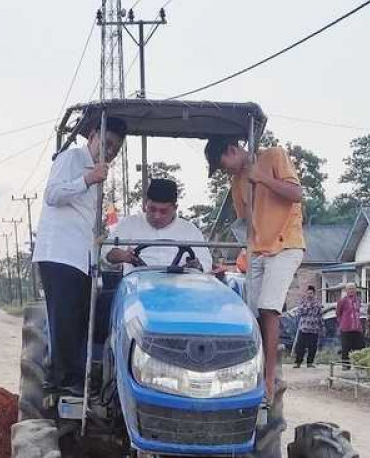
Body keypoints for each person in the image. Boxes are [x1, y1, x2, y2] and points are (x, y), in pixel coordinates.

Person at [205, 137, 305, 400]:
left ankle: (269, 380)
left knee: (269, 309)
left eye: (224, 165)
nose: (226, 171)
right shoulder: (237, 180)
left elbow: (297, 194)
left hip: (285, 245)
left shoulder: (274, 155)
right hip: (258, 249)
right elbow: (246, 219)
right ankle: (249, 369)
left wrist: (261, 177)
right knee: (250, 313)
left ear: (232, 149)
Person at [33, 117, 126, 396]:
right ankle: (65, 382)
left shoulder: (99, 175)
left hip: (82, 257)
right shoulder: (70, 159)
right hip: (60, 253)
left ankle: (82, 376)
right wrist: (87, 179)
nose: (109, 151)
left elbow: (87, 219)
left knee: (82, 317)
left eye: (115, 149)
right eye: (107, 144)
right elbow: (52, 194)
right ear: (93, 135)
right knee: (64, 318)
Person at [105, 178, 212, 273]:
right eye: (152, 209)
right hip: (138, 286)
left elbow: (206, 263)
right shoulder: (128, 224)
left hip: (180, 286)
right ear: (145, 204)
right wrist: (122, 255)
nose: (157, 216)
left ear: (175, 208)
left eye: (163, 211)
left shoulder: (190, 230)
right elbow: (106, 253)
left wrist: (197, 265)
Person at [337, 283, 365, 370]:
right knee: (346, 347)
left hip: (357, 328)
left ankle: (359, 365)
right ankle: (346, 365)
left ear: (356, 290)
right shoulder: (342, 301)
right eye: (349, 288)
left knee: (360, 347)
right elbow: (338, 313)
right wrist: (342, 323)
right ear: (346, 290)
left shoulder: (358, 300)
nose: (351, 290)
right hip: (346, 328)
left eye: (353, 288)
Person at [294, 285, 323, 368]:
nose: (309, 295)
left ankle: (310, 362)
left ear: (314, 294)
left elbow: (320, 315)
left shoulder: (318, 303)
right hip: (304, 328)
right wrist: (308, 305)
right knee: (300, 346)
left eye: (311, 293)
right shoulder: (303, 302)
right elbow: (299, 312)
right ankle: (298, 362)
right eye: (308, 293)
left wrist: (321, 327)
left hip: (314, 329)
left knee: (313, 347)